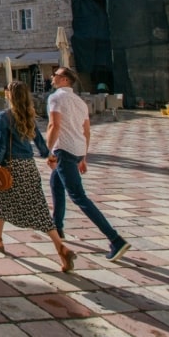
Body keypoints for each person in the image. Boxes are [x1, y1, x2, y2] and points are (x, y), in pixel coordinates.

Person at [0, 81, 76, 273]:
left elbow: (0, 143)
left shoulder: (4, 116)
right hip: (29, 167)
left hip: (13, 166)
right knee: (39, 209)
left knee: (1, 203)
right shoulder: (29, 115)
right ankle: (60, 247)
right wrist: (48, 156)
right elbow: (40, 143)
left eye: (7, 90)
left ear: (11, 95)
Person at [46, 67, 131, 262]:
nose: (53, 77)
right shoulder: (80, 102)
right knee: (56, 184)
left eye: (56, 75)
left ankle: (115, 239)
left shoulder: (56, 97)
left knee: (78, 196)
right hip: (77, 150)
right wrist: (83, 157)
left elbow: (54, 125)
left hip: (64, 151)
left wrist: (49, 151)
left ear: (65, 80)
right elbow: (87, 131)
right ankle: (56, 226)